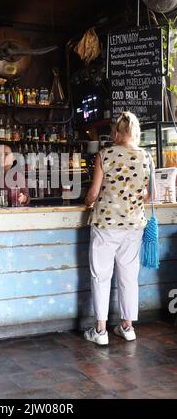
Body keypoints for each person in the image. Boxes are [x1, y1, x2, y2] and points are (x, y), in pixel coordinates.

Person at [84, 111, 156, 345]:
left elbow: (94, 193)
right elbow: (150, 195)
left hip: (106, 224)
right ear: (136, 132)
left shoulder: (105, 155)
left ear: (116, 132)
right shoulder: (146, 156)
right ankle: (127, 327)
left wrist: (88, 201)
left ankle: (101, 331)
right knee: (128, 276)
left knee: (101, 276)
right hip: (134, 225)